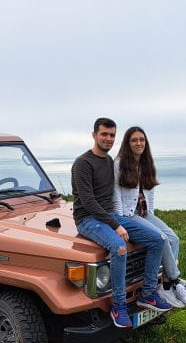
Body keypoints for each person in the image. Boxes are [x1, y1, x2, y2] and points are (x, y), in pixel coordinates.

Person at [72, 117, 173, 328]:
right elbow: (88, 203)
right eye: (104, 134)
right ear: (94, 135)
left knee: (157, 239)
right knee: (119, 247)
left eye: (112, 135)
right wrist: (116, 225)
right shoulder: (83, 163)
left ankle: (147, 294)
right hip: (88, 219)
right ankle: (119, 307)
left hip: (110, 216)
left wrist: (121, 218)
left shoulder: (110, 162)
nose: (108, 139)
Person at [113, 126, 186, 308]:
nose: (139, 143)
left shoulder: (147, 163)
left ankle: (165, 286)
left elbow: (150, 193)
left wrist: (151, 215)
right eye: (134, 140)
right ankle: (174, 281)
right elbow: (115, 193)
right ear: (127, 143)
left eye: (142, 140)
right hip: (128, 214)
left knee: (174, 238)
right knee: (161, 238)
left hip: (144, 213)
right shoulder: (119, 164)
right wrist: (119, 220)